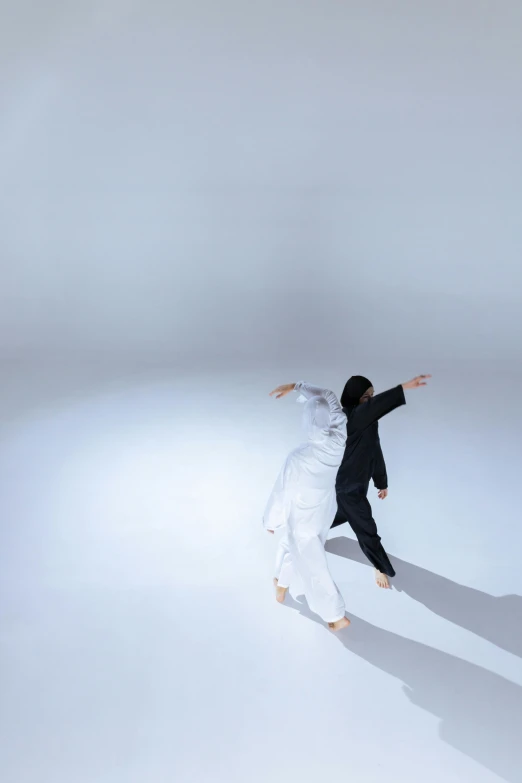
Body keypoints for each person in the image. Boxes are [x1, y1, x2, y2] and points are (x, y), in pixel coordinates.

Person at [264, 381, 350, 632]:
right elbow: (329, 397)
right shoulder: (339, 439)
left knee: (314, 564)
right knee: (302, 549)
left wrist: (271, 521)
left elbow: (281, 492)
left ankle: (334, 616)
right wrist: (297, 386)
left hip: (302, 515)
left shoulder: (299, 457)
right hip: (325, 508)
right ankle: (281, 583)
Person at [331, 374, 431, 589]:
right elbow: (373, 408)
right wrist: (402, 388)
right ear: (354, 397)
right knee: (367, 528)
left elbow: (375, 450)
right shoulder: (350, 418)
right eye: (365, 396)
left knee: (333, 516)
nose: (370, 399)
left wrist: (381, 482)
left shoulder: (369, 421)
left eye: (372, 395)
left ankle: (305, 532)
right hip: (346, 487)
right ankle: (380, 566)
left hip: (358, 483)